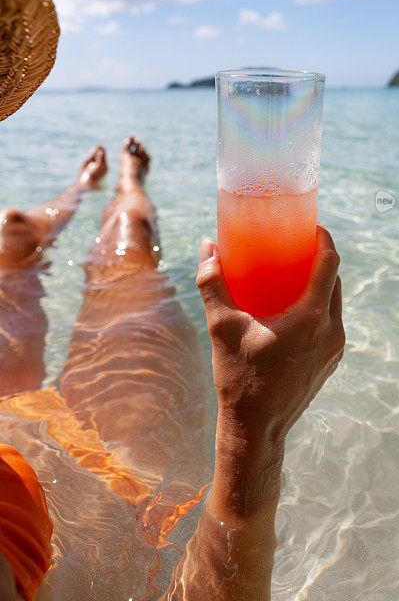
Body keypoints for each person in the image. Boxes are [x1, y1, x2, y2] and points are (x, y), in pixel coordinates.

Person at [0, 137, 344, 601]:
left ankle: (84, 187)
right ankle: (128, 186)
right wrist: (256, 429)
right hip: (105, 484)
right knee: (131, 231)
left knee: (12, 230)